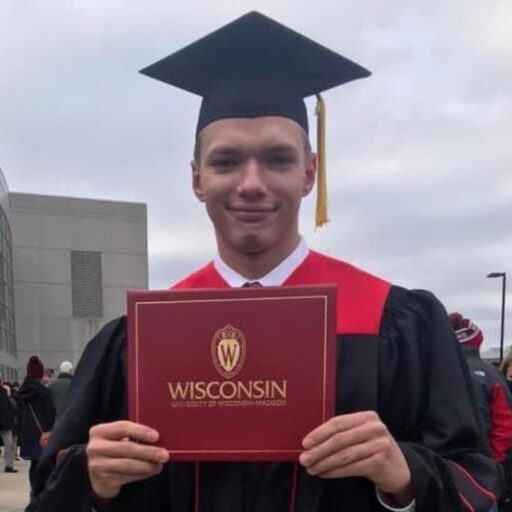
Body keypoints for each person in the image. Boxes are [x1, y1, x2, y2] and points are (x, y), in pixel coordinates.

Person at [32, 11, 499, 512]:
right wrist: (91, 480)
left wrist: (405, 476)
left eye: (277, 159)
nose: (251, 183)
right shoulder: (139, 341)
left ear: (309, 174)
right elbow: (50, 490)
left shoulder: (396, 321)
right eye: (226, 161)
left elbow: (475, 480)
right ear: (196, 179)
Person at [450, 313, 512, 512]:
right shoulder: (492, 375)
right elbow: (505, 424)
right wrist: (494, 461)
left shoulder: (433, 372)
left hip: (443, 466)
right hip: (483, 470)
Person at [18, 356, 56, 492]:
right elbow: (50, 414)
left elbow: (19, 415)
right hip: (42, 434)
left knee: (33, 464)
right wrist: (51, 430)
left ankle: (33, 490)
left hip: (27, 433)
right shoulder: (43, 392)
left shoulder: (20, 392)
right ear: (40, 373)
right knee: (44, 463)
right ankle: (41, 491)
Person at [0, 375, 18, 473]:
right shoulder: (4, 392)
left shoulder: (4, 392)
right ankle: (9, 466)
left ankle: (9, 465)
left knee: (9, 445)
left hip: (5, 422)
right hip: (5, 422)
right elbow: (7, 407)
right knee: (8, 444)